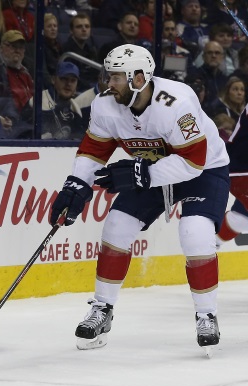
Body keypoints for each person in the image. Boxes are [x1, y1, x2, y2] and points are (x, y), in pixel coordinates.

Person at [49, 44, 230, 352]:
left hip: (203, 170)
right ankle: (102, 310)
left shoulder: (177, 102)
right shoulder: (105, 105)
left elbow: (193, 161)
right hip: (153, 170)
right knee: (116, 226)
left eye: (116, 77)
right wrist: (77, 184)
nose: (109, 83)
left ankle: (206, 313)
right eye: (109, 76)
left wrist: (139, 174)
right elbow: (94, 150)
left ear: (138, 78)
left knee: (195, 233)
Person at [216, 102, 248, 246]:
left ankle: (208, 242)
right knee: (241, 219)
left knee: (241, 219)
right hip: (241, 171)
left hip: (239, 169)